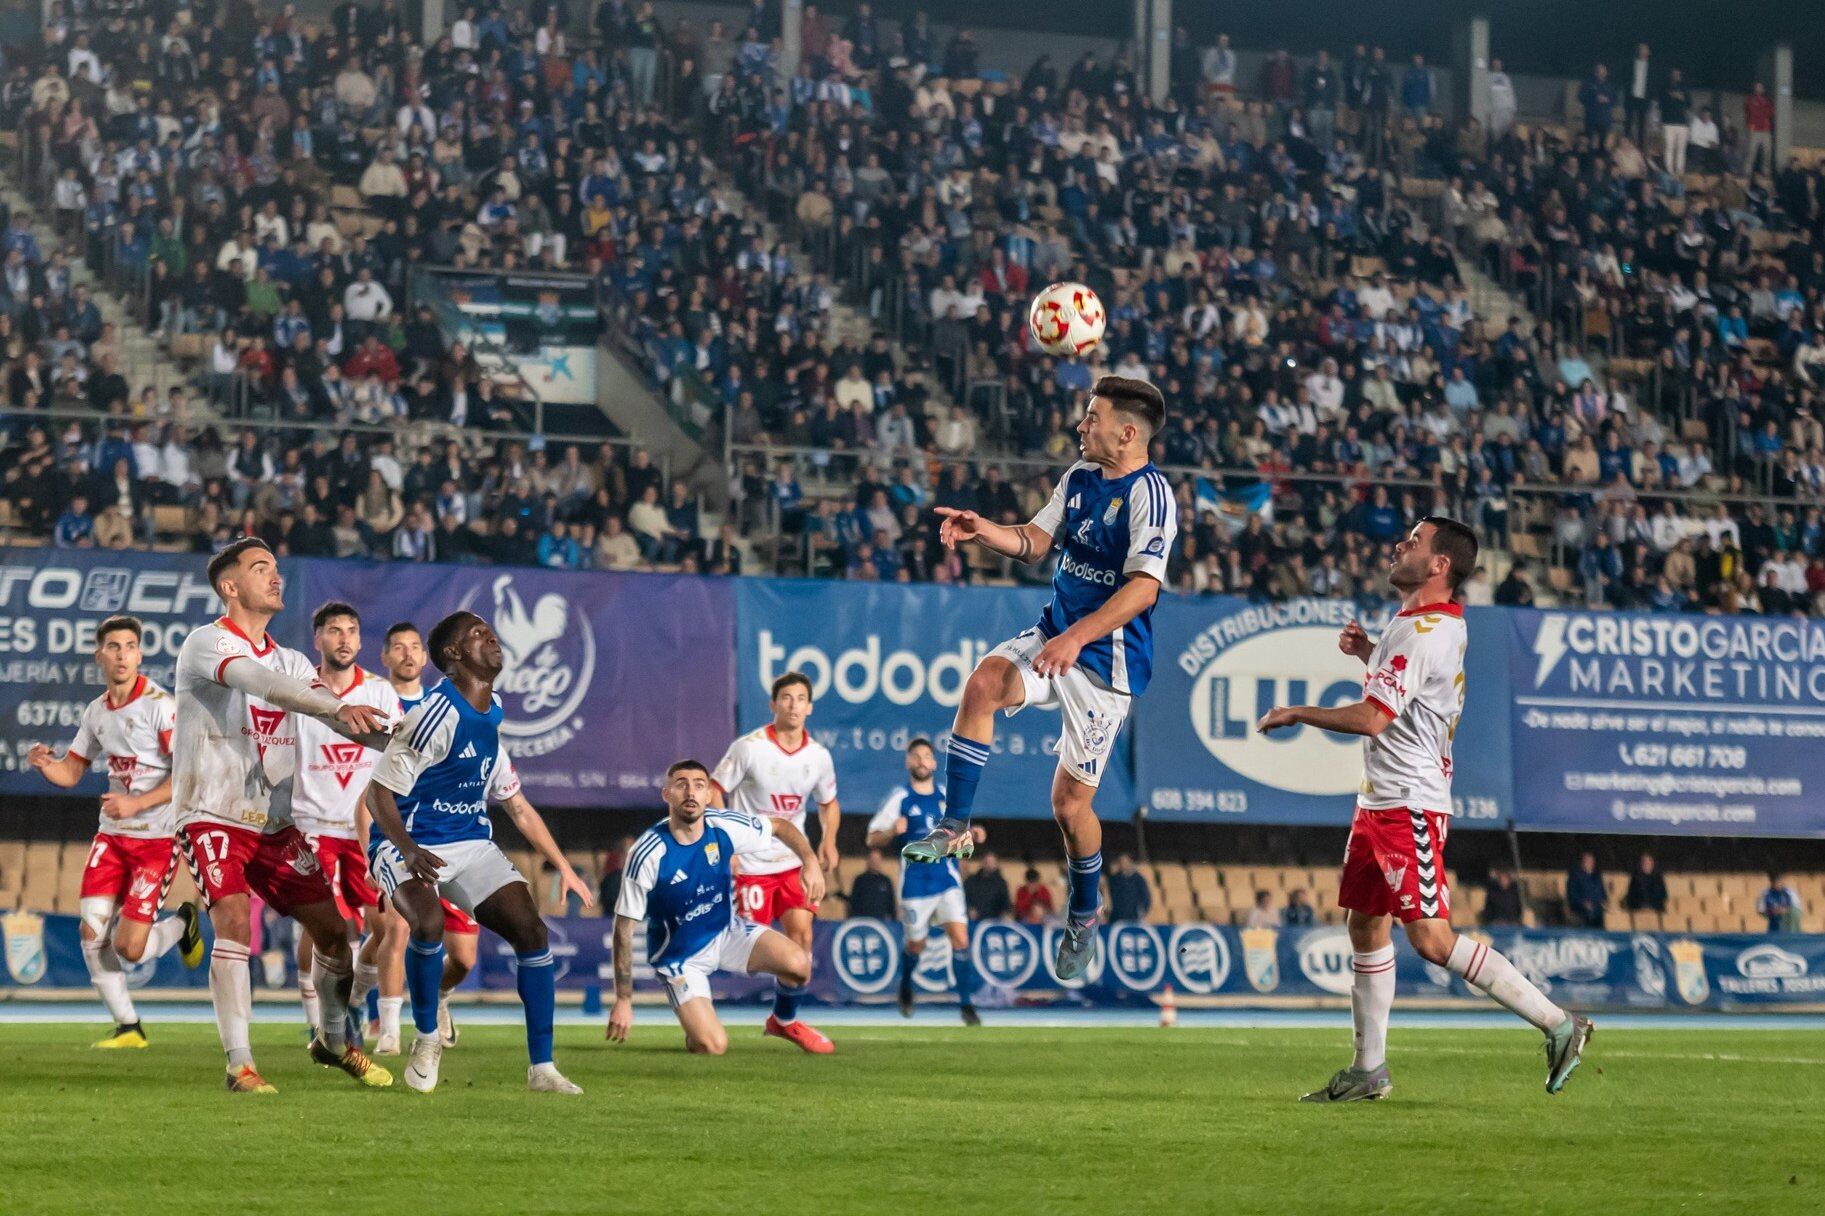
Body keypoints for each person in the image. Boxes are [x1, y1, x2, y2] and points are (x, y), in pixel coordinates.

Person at [1259, 517, 1593, 1100]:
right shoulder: (1420, 623)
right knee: (1365, 923)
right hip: (1379, 801)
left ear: (1440, 565)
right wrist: (1370, 652)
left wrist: (1297, 712)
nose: (1399, 545)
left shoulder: (1424, 632)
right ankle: (1368, 1069)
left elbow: (1374, 718)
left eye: (1413, 541)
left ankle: (1560, 1024)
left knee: (1433, 941)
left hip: (1409, 805)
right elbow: (1413, 693)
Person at [904, 377, 1177, 985]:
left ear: (1127, 432)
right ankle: (955, 826)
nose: (1081, 426)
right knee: (982, 685)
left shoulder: (1151, 495)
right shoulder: (1078, 478)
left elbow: (1143, 588)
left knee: (1069, 807)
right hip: (1054, 635)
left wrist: (1077, 638)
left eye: (1092, 417)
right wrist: (984, 529)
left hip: (1105, 666)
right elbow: (1033, 542)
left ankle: (1083, 909)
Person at [172, 537, 393, 1093]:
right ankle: (240, 1064)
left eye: (275, 568)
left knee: (335, 935)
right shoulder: (207, 643)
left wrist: (407, 742)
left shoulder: (292, 660)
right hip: (211, 811)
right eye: (260, 568)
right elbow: (263, 684)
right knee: (232, 919)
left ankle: (332, 1042)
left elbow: (337, 718)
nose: (275, 577)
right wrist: (335, 704)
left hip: (273, 825)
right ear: (229, 586)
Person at [365, 611, 593, 1094]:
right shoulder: (434, 715)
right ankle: (426, 1038)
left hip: (470, 842)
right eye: (477, 634)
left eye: (490, 632)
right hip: (407, 842)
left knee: (532, 932)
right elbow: (377, 793)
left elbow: (518, 807)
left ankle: (543, 1069)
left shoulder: (493, 714)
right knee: (427, 923)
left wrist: (565, 867)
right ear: (453, 655)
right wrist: (407, 849)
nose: (491, 638)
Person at [27, 615, 204, 1048]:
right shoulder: (96, 712)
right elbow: (71, 772)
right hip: (111, 838)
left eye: (129, 646)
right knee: (91, 934)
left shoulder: (161, 707)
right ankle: (129, 1027)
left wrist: (138, 803)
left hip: (156, 840)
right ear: (99, 656)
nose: (122, 655)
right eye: (113, 647)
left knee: (130, 949)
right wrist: (46, 764)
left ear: (139, 655)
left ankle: (182, 924)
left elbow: (188, 775)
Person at [607, 761, 826, 1055]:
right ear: (667, 795)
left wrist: (810, 862)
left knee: (799, 964)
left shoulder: (723, 826)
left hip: (726, 932)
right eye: (681, 784)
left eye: (699, 785)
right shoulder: (648, 853)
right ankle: (697, 1032)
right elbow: (623, 928)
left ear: (709, 794)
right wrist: (623, 999)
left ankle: (782, 1022)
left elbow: (779, 826)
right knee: (713, 1045)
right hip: (681, 957)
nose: (691, 792)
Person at [707, 671, 841, 1053]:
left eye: (800, 699)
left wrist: (828, 840)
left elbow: (829, 803)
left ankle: (783, 1021)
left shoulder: (818, 756)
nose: (793, 705)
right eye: (786, 698)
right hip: (750, 863)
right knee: (742, 949)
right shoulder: (749, 748)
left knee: (802, 941)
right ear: (773, 704)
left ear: (809, 707)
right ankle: (693, 1002)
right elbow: (715, 790)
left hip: (793, 861)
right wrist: (729, 845)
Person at [369, 622, 483, 1055]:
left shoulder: (449, 702)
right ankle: (390, 1031)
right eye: (398, 647)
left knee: (464, 958)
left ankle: (437, 994)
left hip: (453, 840)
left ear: (427, 655)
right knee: (398, 927)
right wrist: (373, 849)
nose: (407, 654)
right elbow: (373, 788)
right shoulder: (380, 706)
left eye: (415, 646)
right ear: (385, 656)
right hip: (401, 840)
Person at [290, 601, 400, 1045]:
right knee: (321, 926)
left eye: (352, 630)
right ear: (318, 639)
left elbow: (398, 754)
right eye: (334, 630)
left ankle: (353, 998)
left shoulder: (380, 692)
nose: (344, 638)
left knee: (384, 927)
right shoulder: (300, 693)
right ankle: (316, 1021)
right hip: (312, 823)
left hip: (366, 829)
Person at [867, 738, 984, 1024]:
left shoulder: (946, 796)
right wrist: (891, 832)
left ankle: (966, 1004)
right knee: (915, 946)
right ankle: (906, 985)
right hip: (915, 884)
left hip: (947, 879)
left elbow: (962, 834)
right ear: (908, 762)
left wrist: (974, 835)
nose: (921, 760)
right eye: (916, 756)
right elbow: (872, 838)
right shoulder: (900, 798)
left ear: (934, 763)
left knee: (960, 939)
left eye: (926, 756)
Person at [845, 852, 897, 920]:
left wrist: (893, 919)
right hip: (863, 920)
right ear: (868, 861)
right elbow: (853, 902)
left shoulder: (886, 881)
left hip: (882, 921)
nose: (875, 862)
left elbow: (891, 903)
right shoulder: (860, 880)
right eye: (873, 860)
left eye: (877, 860)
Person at [965, 852, 1012, 920]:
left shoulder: (1001, 883)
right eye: (987, 862)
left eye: (991, 862)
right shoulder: (971, 881)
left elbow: (1005, 902)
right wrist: (969, 909)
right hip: (974, 921)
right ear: (982, 863)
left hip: (993, 921)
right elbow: (964, 896)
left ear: (995, 864)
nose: (989, 865)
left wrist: (1005, 914)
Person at [1106, 854, 1152, 922]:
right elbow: (1108, 894)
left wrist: (1140, 912)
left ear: (1130, 862)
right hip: (1116, 917)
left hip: (1133, 917)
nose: (1123, 864)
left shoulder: (1138, 878)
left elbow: (1145, 896)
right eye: (1121, 862)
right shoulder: (1114, 879)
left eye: (1125, 861)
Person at [1565, 853, 1606, 928]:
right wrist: (1583, 903)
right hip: (1581, 913)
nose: (1590, 863)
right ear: (1582, 862)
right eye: (1587, 861)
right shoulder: (1575, 876)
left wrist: (1603, 901)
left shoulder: (1597, 876)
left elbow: (1602, 891)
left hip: (1597, 912)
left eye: (1591, 861)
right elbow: (1572, 893)